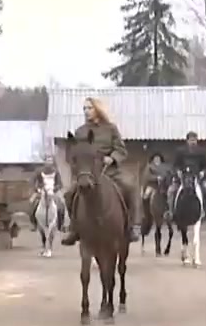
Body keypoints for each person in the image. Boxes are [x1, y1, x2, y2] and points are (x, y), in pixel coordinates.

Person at [61, 97, 140, 246]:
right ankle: (74, 228)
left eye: (89, 108)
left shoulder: (110, 129)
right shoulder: (80, 131)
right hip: (88, 173)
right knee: (69, 193)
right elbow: (74, 152)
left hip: (109, 171)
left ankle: (133, 226)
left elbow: (121, 150)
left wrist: (112, 158)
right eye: (84, 108)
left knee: (130, 186)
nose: (86, 111)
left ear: (97, 109)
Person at [166, 132, 206, 220]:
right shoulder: (180, 151)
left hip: (198, 177)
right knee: (170, 191)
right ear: (187, 141)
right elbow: (175, 165)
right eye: (191, 140)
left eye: (194, 140)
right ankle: (171, 211)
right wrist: (178, 171)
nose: (193, 142)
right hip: (182, 177)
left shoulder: (202, 152)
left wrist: (203, 172)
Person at [28, 155, 65, 231]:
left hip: (53, 191)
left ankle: (61, 224)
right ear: (44, 162)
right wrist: (37, 189)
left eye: (51, 160)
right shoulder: (39, 171)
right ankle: (33, 223)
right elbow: (32, 180)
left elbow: (60, 184)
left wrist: (55, 189)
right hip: (41, 191)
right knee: (31, 202)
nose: (49, 162)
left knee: (62, 203)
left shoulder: (56, 171)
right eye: (48, 160)